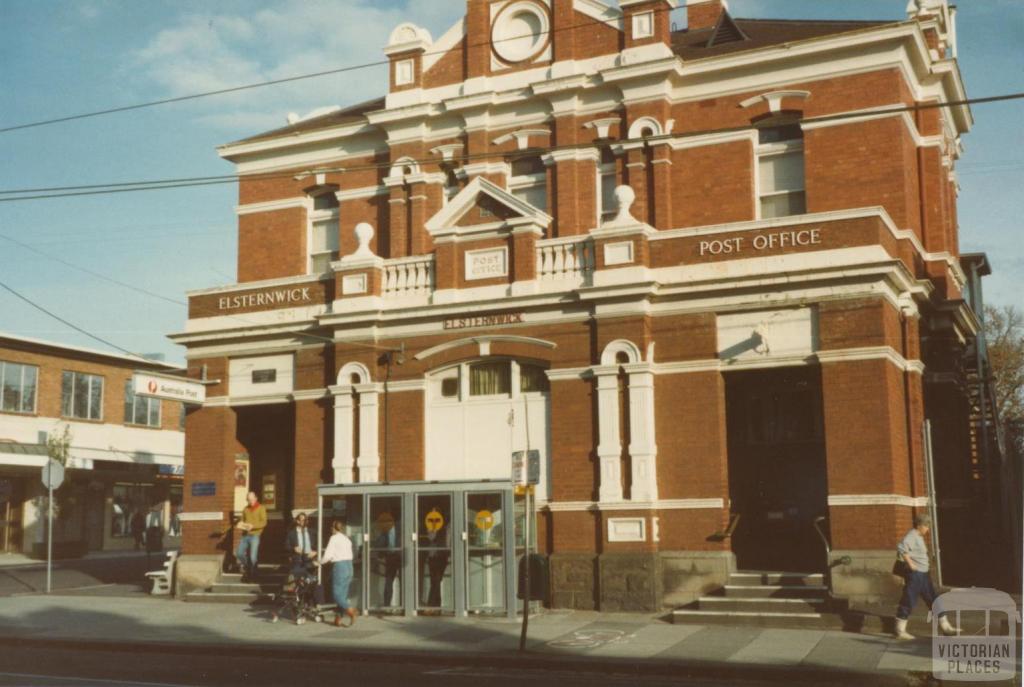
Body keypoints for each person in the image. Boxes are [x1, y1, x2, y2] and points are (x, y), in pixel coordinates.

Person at [893, 513, 958, 639]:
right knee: (909, 600)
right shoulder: (911, 535)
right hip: (915, 575)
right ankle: (900, 630)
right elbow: (901, 548)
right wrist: (911, 564)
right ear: (920, 525)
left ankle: (945, 627)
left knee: (933, 599)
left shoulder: (918, 536)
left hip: (924, 574)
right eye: (926, 526)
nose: (928, 529)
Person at [318, 520, 356, 627]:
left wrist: (319, 562)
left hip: (340, 566)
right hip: (349, 566)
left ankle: (351, 611)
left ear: (334, 528)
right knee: (343, 595)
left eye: (331, 527)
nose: (330, 529)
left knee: (336, 594)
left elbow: (328, 555)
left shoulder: (334, 538)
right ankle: (338, 619)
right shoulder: (346, 539)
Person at [235, 491, 267, 583]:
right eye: (248, 500)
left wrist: (253, 526)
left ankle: (252, 575)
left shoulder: (261, 508)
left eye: (252, 499)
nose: (250, 501)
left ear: (256, 498)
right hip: (245, 535)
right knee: (239, 553)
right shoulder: (245, 509)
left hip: (255, 535)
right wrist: (240, 524)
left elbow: (264, 522)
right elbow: (242, 520)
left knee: (253, 557)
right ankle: (249, 568)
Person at [285, 512, 316, 577]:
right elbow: (286, 546)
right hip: (297, 559)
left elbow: (319, 543)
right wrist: (293, 549)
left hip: (309, 558)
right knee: (298, 579)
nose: (305, 522)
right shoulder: (291, 533)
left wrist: (316, 552)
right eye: (303, 520)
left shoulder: (312, 532)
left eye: (306, 520)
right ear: (298, 521)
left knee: (310, 579)